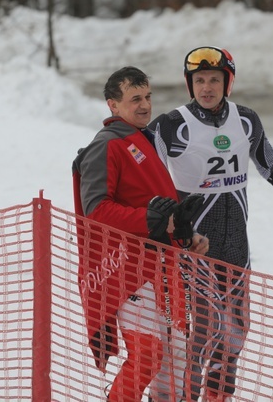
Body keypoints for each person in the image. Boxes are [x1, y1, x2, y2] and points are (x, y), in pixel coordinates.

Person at [149, 46, 273, 401]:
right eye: (199, 80)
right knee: (205, 329)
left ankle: (219, 395)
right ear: (189, 84)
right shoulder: (173, 124)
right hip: (195, 244)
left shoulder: (245, 119)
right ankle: (185, 396)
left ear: (228, 82)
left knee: (237, 332)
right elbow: (138, 164)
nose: (206, 87)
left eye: (214, 79)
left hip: (237, 246)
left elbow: (267, 160)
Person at [73, 65, 210, 402]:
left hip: (165, 266)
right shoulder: (106, 145)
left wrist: (185, 232)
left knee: (177, 354)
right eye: (135, 99)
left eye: (147, 97)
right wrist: (148, 219)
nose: (145, 105)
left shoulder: (142, 140)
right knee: (147, 355)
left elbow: (156, 208)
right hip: (130, 271)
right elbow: (96, 210)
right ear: (113, 105)